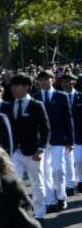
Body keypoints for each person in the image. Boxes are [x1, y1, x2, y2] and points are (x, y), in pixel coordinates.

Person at [4, 73, 50, 221]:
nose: (13, 89)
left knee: (36, 183)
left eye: (17, 86)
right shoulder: (8, 106)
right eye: (12, 86)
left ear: (27, 87)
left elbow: (45, 129)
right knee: (14, 183)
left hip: (33, 151)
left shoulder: (36, 105)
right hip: (14, 152)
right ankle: (21, 213)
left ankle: (39, 213)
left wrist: (41, 149)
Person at [36, 70, 73, 213]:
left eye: (46, 79)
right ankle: (50, 200)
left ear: (52, 80)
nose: (43, 82)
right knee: (45, 171)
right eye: (41, 79)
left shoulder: (62, 96)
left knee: (58, 170)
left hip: (58, 138)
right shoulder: (35, 97)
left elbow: (68, 119)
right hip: (41, 141)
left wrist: (70, 139)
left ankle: (61, 196)